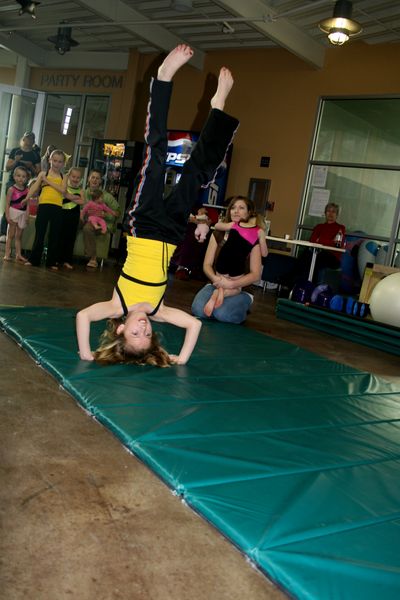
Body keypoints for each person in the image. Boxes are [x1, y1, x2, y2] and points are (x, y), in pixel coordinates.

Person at [76, 44, 239, 367]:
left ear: (120, 329)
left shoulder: (114, 305)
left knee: (156, 156)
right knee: (197, 175)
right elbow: (193, 324)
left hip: (143, 224)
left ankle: (163, 79)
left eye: (134, 334)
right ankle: (218, 108)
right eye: (147, 336)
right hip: (171, 233)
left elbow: (83, 316)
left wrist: (85, 352)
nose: (143, 329)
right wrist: (181, 357)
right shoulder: (158, 310)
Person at [191, 195, 263, 323]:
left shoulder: (252, 236)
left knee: (223, 314)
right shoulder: (218, 233)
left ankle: (240, 307)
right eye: (233, 208)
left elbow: (256, 274)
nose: (236, 211)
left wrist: (231, 284)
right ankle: (220, 302)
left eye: (241, 208)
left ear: (249, 212)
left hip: (240, 287)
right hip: (217, 282)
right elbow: (207, 264)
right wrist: (216, 279)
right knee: (198, 310)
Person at [203, 208, 268, 315]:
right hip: (235, 269)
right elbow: (264, 253)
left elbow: (217, 225)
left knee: (222, 284)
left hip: (223, 266)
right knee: (237, 289)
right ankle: (223, 292)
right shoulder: (258, 232)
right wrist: (262, 239)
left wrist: (228, 225)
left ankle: (219, 290)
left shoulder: (236, 226)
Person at [25, 149, 68, 270]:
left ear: (63, 164)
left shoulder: (64, 176)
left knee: (54, 235)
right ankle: (34, 259)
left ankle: (51, 262)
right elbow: (34, 188)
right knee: (40, 234)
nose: (57, 164)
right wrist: (26, 198)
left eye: (60, 161)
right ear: (50, 160)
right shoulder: (43, 174)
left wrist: (48, 181)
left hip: (57, 207)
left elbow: (63, 191)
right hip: (44, 205)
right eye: (55, 161)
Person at [0, 132, 41, 240]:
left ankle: (18, 233)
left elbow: (38, 172)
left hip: (27, 185)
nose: (29, 140)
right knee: (10, 205)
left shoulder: (35, 155)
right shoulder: (15, 151)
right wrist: (16, 161)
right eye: (27, 138)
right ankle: (3, 232)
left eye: (31, 138)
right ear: (23, 138)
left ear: (33, 141)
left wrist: (31, 166)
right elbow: (8, 167)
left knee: (22, 206)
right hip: (12, 182)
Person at [296, 202, 346, 281]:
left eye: (333, 211)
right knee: (307, 255)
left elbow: (337, 244)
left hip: (332, 257)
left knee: (313, 258)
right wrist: (327, 241)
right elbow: (312, 241)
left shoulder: (340, 228)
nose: (331, 213)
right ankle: (300, 283)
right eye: (328, 211)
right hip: (317, 254)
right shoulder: (319, 227)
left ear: (337, 215)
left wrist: (320, 240)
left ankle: (305, 283)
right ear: (325, 213)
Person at [82, 169, 120, 268]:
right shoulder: (83, 193)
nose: (94, 180)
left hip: (103, 223)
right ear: (88, 179)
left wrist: (104, 214)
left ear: (100, 181)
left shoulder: (106, 196)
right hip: (86, 219)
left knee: (87, 228)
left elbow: (117, 212)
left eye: (97, 178)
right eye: (93, 177)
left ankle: (93, 258)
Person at [58, 167, 85, 269]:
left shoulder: (81, 190)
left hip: (74, 215)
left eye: (78, 177)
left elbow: (82, 202)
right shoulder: (64, 188)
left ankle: (67, 260)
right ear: (69, 176)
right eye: (73, 176)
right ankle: (57, 259)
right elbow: (62, 197)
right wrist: (75, 197)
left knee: (70, 238)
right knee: (60, 236)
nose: (75, 179)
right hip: (63, 213)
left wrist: (68, 196)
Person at [3, 166, 30, 262]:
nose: (20, 178)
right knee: (11, 235)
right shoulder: (11, 189)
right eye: (18, 176)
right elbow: (7, 203)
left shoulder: (27, 190)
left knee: (19, 236)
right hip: (13, 212)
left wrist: (27, 215)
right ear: (14, 177)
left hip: (22, 213)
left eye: (23, 176)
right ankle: (7, 254)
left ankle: (18, 254)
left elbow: (28, 205)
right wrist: (7, 215)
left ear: (27, 178)